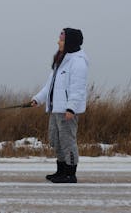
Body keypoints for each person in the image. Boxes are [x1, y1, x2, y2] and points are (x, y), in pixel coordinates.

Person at [31, 28, 89, 183]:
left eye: (61, 40)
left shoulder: (78, 62)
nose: (58, 42)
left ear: (70, 42)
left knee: (67, 141)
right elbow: (49, 86)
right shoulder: (61, 61)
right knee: (55, 140)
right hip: (55, 109)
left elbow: (78, 88)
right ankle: (61, 170)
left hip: (67, 111)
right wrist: (37, 99)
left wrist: (72, 108)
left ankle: (70, 174)